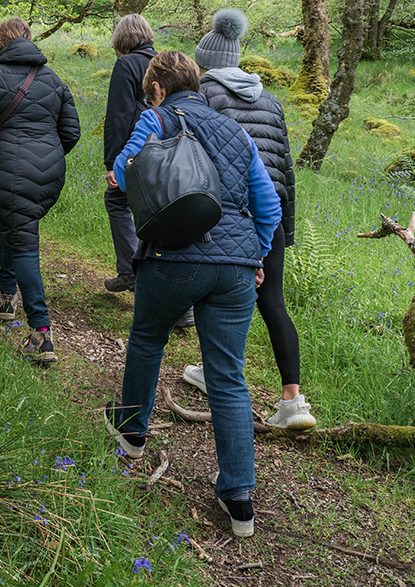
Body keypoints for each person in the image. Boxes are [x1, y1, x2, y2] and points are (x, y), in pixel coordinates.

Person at [104, 50, 281, 539]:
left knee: (147, 339)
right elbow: (268, 205)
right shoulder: (236, 131)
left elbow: (122, 171)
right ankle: (239, 499)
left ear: (158, 88)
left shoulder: (155, 117)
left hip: (174, 260)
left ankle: (133, 435)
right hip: (236, 271)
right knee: (228, 376)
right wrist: (257, 258)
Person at [182, 8, 315, 430]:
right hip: (269, 213)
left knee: (213, 289)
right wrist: (284, 231)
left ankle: (214, 370)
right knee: (272, 299)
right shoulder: (271, 100)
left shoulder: (203, 95)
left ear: (204, 62)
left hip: (225, 210)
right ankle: (294, 402)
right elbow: (285, 171)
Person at [0, 19, 80, 364]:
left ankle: (41, 334)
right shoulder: (53, 80)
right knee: (14, 227)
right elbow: (72, 132)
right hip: (49, 173)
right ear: (29, 42)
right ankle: (5, 298)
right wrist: (47, 155)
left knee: (24, 242)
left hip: (8, 168)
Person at [101, 14, 156, 293]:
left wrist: (112, 162)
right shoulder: (164, 62)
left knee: (117, 200)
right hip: (168, 150)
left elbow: (118, 116)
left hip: (135, 149)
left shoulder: (126, 64)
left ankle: (131, 270)